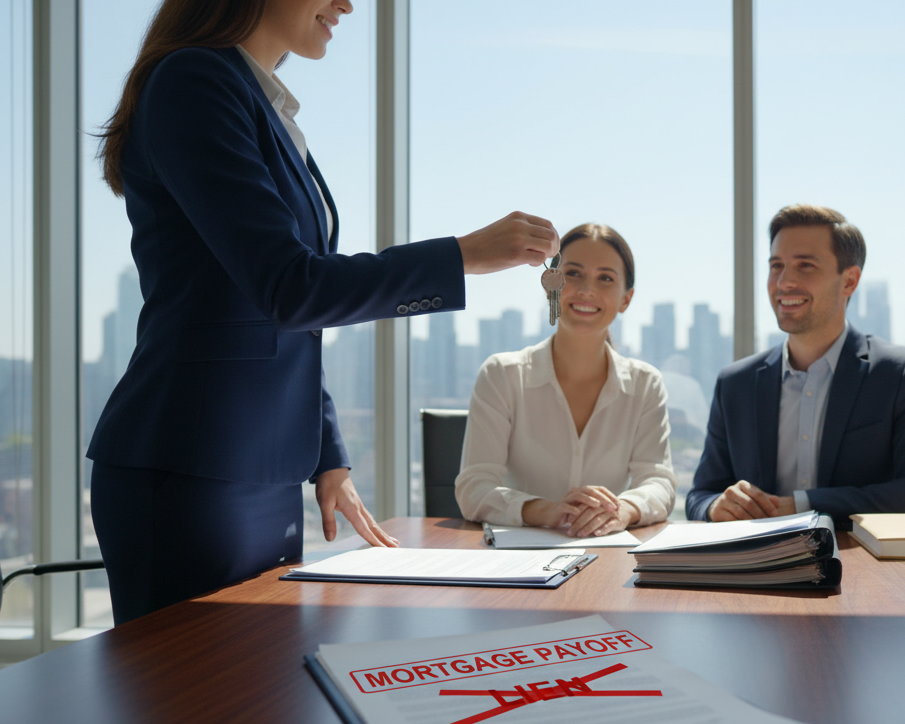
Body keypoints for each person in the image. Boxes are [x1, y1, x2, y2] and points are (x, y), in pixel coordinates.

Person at [85, 0, 559, 623]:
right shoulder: (192, 81)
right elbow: (292, 286)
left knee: (251, 705)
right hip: (192, 466)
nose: (347, 3)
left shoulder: (257, 102)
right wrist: (460, 256)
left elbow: (287, 322)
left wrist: (327, 453)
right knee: (190, 708)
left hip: (259, 465)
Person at [687, 204, 905, 527]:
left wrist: (806, 506)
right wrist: (716, 506)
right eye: (777, 266)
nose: (784, 282)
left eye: (805, 266)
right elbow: (700, 494)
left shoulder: (902, 374)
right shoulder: (736, 384)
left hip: (859, 572)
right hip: (755, 572)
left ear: (849, 281)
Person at [456, 224, 676, 537]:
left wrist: (622, 511)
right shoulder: (502, 375)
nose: (587, 290)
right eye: (573, 273)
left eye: (605, 278)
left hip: (608, 555)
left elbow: (658, 481)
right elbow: (474, 487)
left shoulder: (645, 384)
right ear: (550, 285)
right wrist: (547, 510)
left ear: (626, 299)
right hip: (518, 566)